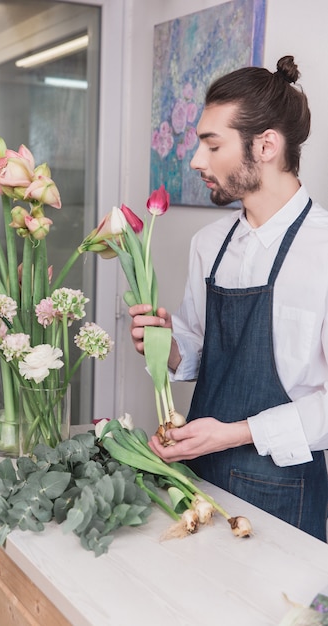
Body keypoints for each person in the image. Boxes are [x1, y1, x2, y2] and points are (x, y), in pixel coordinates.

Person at [129, 55, 328, 541]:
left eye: (212, 145)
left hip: (284, 492)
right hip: (199, 479)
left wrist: (237, 432)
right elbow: (201, 350)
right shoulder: (210, 244)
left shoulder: (322, 251)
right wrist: (168, 344)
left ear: (266, 145)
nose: (197, 160)